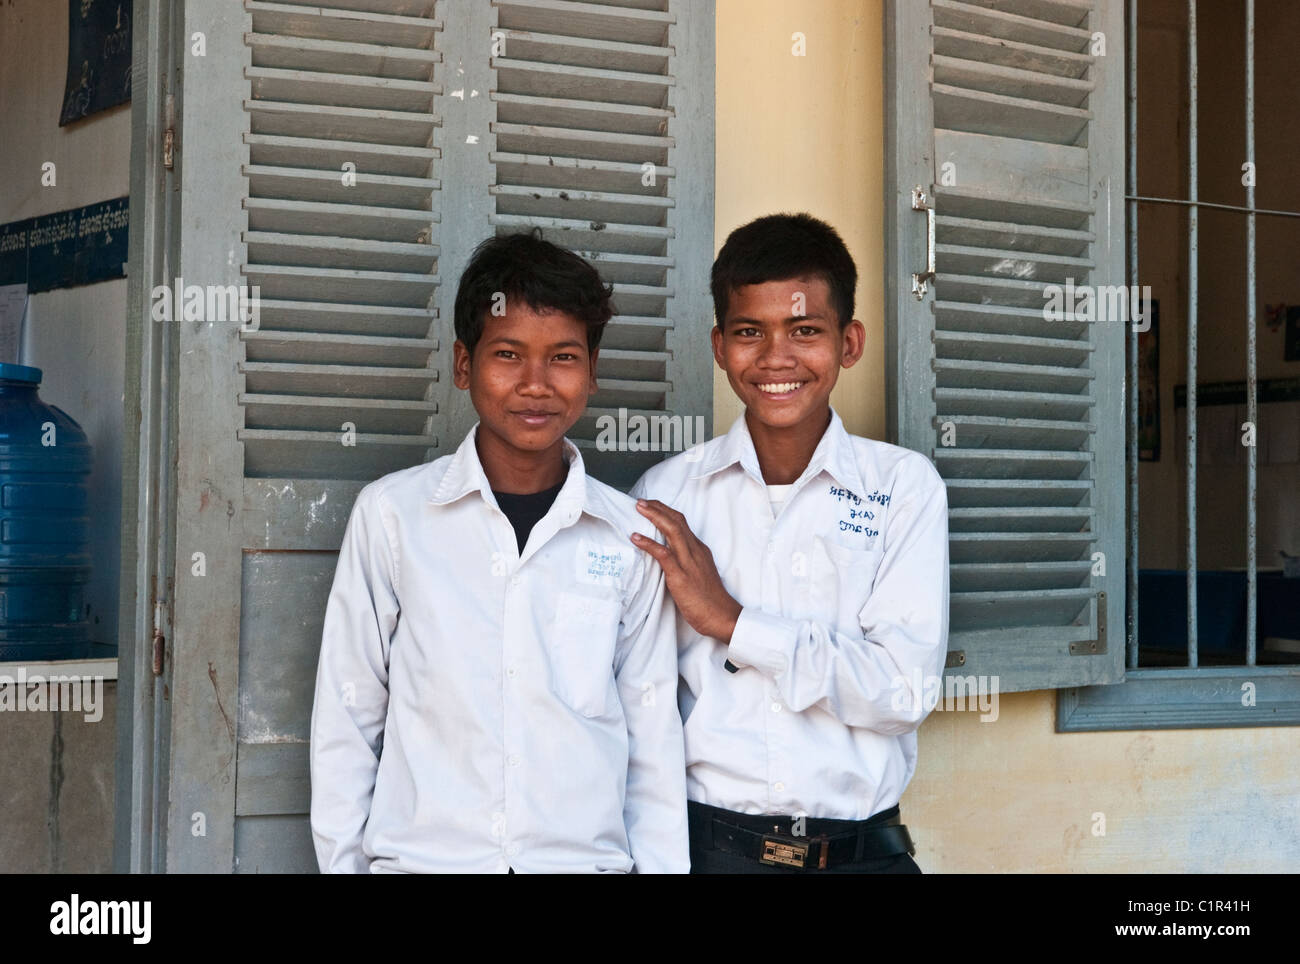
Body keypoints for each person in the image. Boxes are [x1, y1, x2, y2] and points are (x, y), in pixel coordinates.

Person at [310, 232, 688, 873]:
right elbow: (348, 715)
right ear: (465, 365)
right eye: (508, 354)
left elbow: (652, 740)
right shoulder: (394, 516)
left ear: (592, 372)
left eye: (563, 357)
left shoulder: (627, 536)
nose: (535, 384)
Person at [629, 213, 949, 873]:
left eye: (805, 331)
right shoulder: (670, 496)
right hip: (712, 853)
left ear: (849, 342)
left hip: (863, 856)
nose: (776, 358)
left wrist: (734, 622)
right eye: (751, 332)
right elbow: (641, 698)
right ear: (720, 346)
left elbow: (901, 691)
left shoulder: (902, 489)